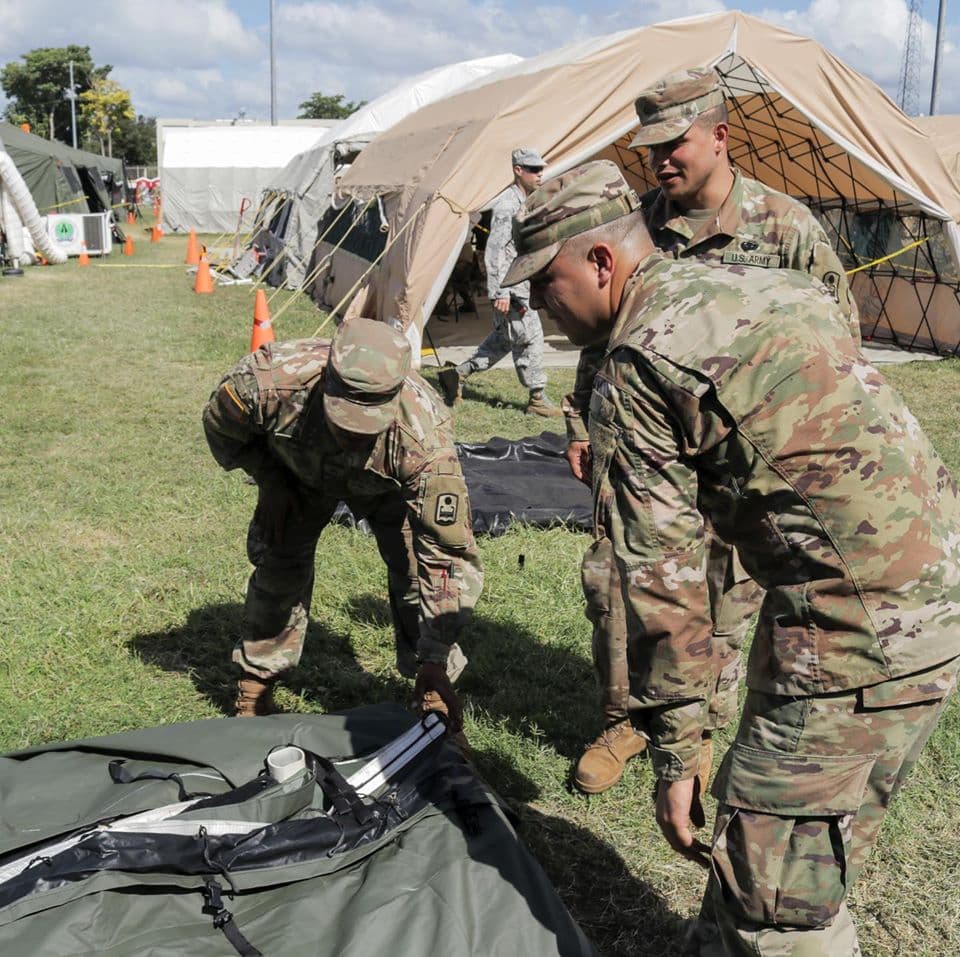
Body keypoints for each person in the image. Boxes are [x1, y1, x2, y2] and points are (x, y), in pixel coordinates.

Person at [504, 159, 960, 955]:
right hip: (926, 583)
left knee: (774, 892)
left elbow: (659, 577)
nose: (536, 302)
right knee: (773, 833)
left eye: (546, 281)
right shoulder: (759, 283)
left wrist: (677, 752)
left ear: (602, 261)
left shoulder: (636, 363)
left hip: (859, 628)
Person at [567, 68, 860, 795]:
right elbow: (603, 333)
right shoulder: (636, 226)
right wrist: (582, 419)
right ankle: (624, 719)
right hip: (644, 445)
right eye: (651, 148)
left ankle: (694, 733)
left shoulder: (785, 228)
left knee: (729, 594)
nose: (661, 159)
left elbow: (835, 343)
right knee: (620, 582)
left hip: (738, 458)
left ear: (721, 136)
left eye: (677, 143)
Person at [202, 317, 484, 726]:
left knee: (411, 570)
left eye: (367, 425)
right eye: (344, 418)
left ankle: (430, 689)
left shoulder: (424, 438)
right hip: (297, 473)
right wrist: (271, 478)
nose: (353, 435)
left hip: (385, 488)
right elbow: (221, 427)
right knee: (280, 562)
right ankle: (256, 683)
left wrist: (436, 655)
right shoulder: (267, 381)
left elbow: (445, 556)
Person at [437, 147, 563, 417]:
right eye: (533, 170)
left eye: (541, 169)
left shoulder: (523, 200)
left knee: (505, 340)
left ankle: (457, 375)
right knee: (530, 338)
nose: (539, 174)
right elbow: (495, 252)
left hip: (519, 284)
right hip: (512, 287)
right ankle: (537, 398)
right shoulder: (507, 206)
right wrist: (501, 292)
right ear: (518, 170)